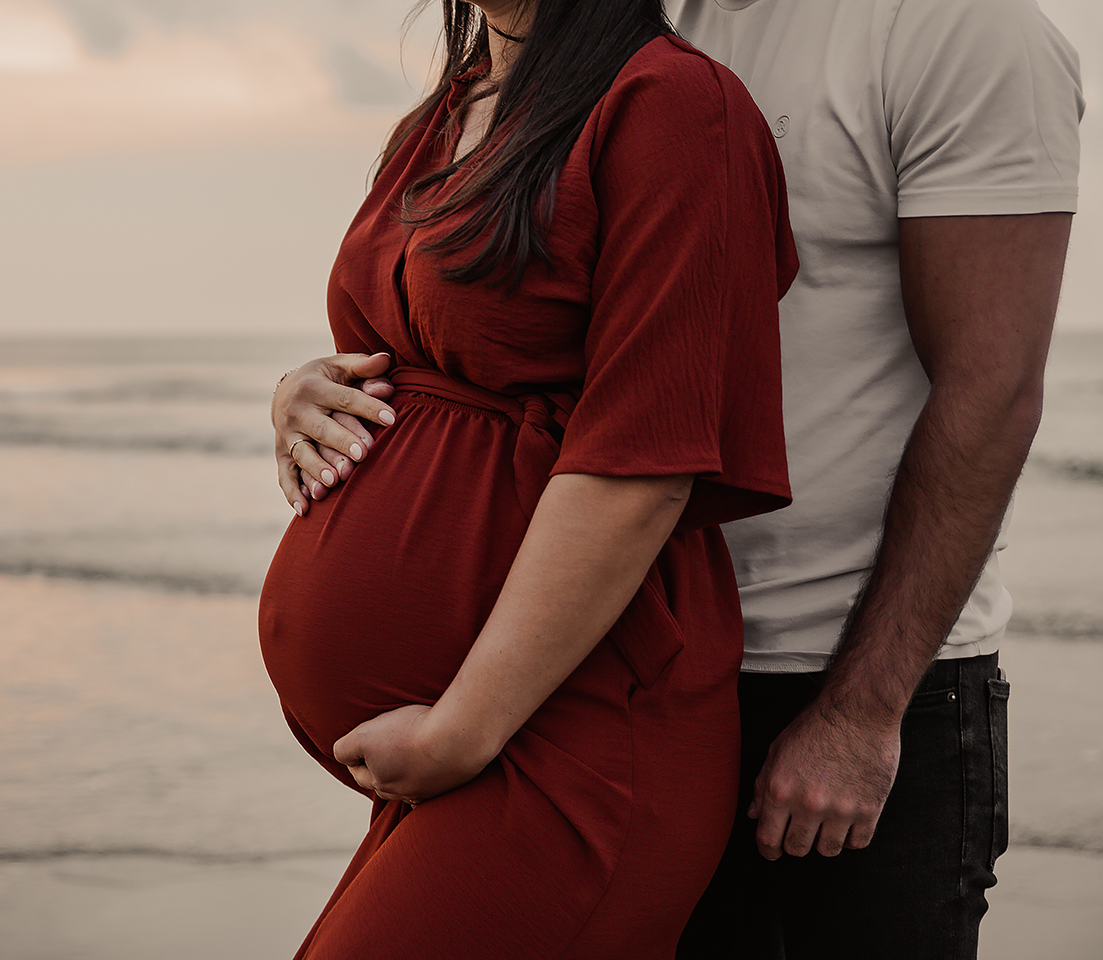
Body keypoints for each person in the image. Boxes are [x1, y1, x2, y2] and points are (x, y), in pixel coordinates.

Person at [273, 0, 1084, 956]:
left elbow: (990, 393)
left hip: (827, 670)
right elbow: (502, 332)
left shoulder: (951, 30)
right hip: (572, 662)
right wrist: (317, 391)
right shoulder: (586, 35)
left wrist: (861, 713)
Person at [257, 0, 797, 956]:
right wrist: (299, 394)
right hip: (468, 744)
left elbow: (644, 463)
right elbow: (412, 363)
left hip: (574, 734)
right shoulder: (458, 106)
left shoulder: (674, 105)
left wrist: (459, 732)